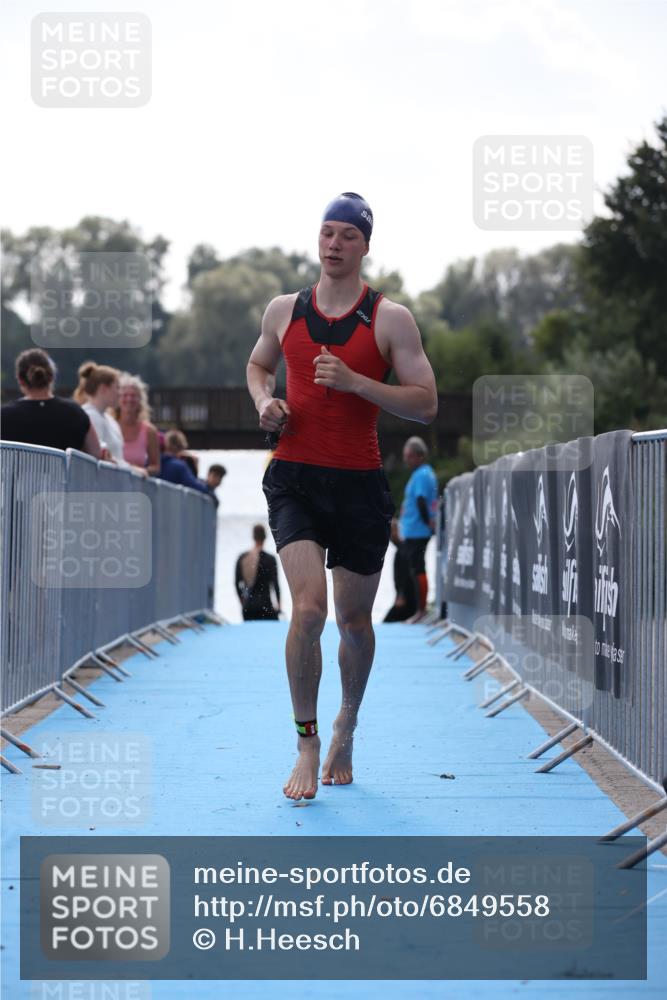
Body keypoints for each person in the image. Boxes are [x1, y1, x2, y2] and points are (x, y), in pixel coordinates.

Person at [246, 191, 437, 800]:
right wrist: (265, 402)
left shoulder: (389, 319)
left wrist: (357, 382)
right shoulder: (285, 309)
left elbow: (427, 403)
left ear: (365, 246)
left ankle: (346, 722)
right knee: (308, 611)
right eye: (327, 233)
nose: (334, 244)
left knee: (354, 622)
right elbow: (258, 366)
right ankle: (304, 740)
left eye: (347, 236)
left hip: (359, 483)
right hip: (295, 476)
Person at [1, 348, 102, 457]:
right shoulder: (76, 412)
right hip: (66, 474)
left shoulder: (4, 415)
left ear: (20, 379)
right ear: (52, 376)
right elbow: (95, 452)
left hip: (18, 474)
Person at [73, 361, 148, 476]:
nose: (120, 393)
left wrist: (132, 469)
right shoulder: (90, 416)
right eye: (117, 388)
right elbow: (101, 458)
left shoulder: (110, 420)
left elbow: (116, 459)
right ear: (104, 388)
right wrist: (133, 470)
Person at [399, 436, 439, 622]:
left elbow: (422, 500)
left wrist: (427, 522)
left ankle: (421, 610)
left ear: (420, 456)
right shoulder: (421, 473)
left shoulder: (423, 474)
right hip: (414, 529)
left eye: (409, 456)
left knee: (418, 568)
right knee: (414, 568)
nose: (406, 460)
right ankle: (418, 608)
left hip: (418, 531)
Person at [115, 373, 161, 475]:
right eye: (125, 395)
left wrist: (141, 471)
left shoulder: (149, 431)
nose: (129, 399)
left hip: (134, 488)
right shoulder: (109, 424)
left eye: (133, 396)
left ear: (140, 400)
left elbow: (156, 467)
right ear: (118, 398)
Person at [235, 524, 281, 621]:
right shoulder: (270, 559)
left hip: (248, 607)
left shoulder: (243, 558)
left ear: (253, 537)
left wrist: (243, 602)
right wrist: (279, 605)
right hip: (266, 606)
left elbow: (236, 583)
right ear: (265, 537)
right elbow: (275, 584)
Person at [158, 429, 216, 498]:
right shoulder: (179, 466)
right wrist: (209, 489)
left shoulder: (153, 462)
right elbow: (195, 486)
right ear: (181, 446)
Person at [383, 518, 417, 622]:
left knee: (386, 623)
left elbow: (405, 576)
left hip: (407, 599)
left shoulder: (403, 551)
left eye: (390, 532)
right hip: (406, 597)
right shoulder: (403, 549)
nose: (389, 536)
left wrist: (401, 595)